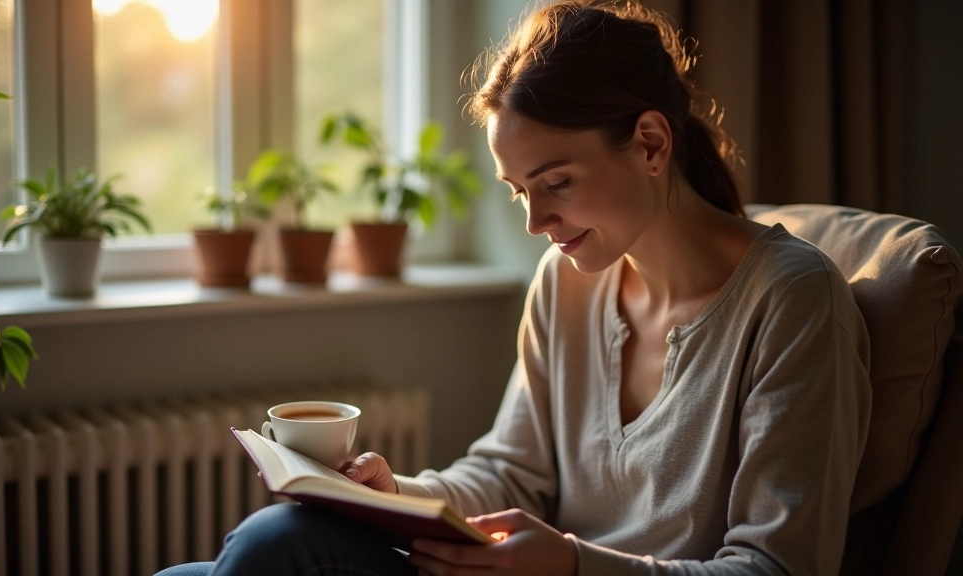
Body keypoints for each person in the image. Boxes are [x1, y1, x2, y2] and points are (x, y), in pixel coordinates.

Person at [156, 1, 871, 574]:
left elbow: (773, 566)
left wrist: (571, 565)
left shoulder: (793, 302)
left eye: (556, 183)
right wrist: (396, 492)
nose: (536, 222)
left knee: (274, 545)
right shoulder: (568, 281)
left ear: (652, 144)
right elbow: (511, 471)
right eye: (518, 191)